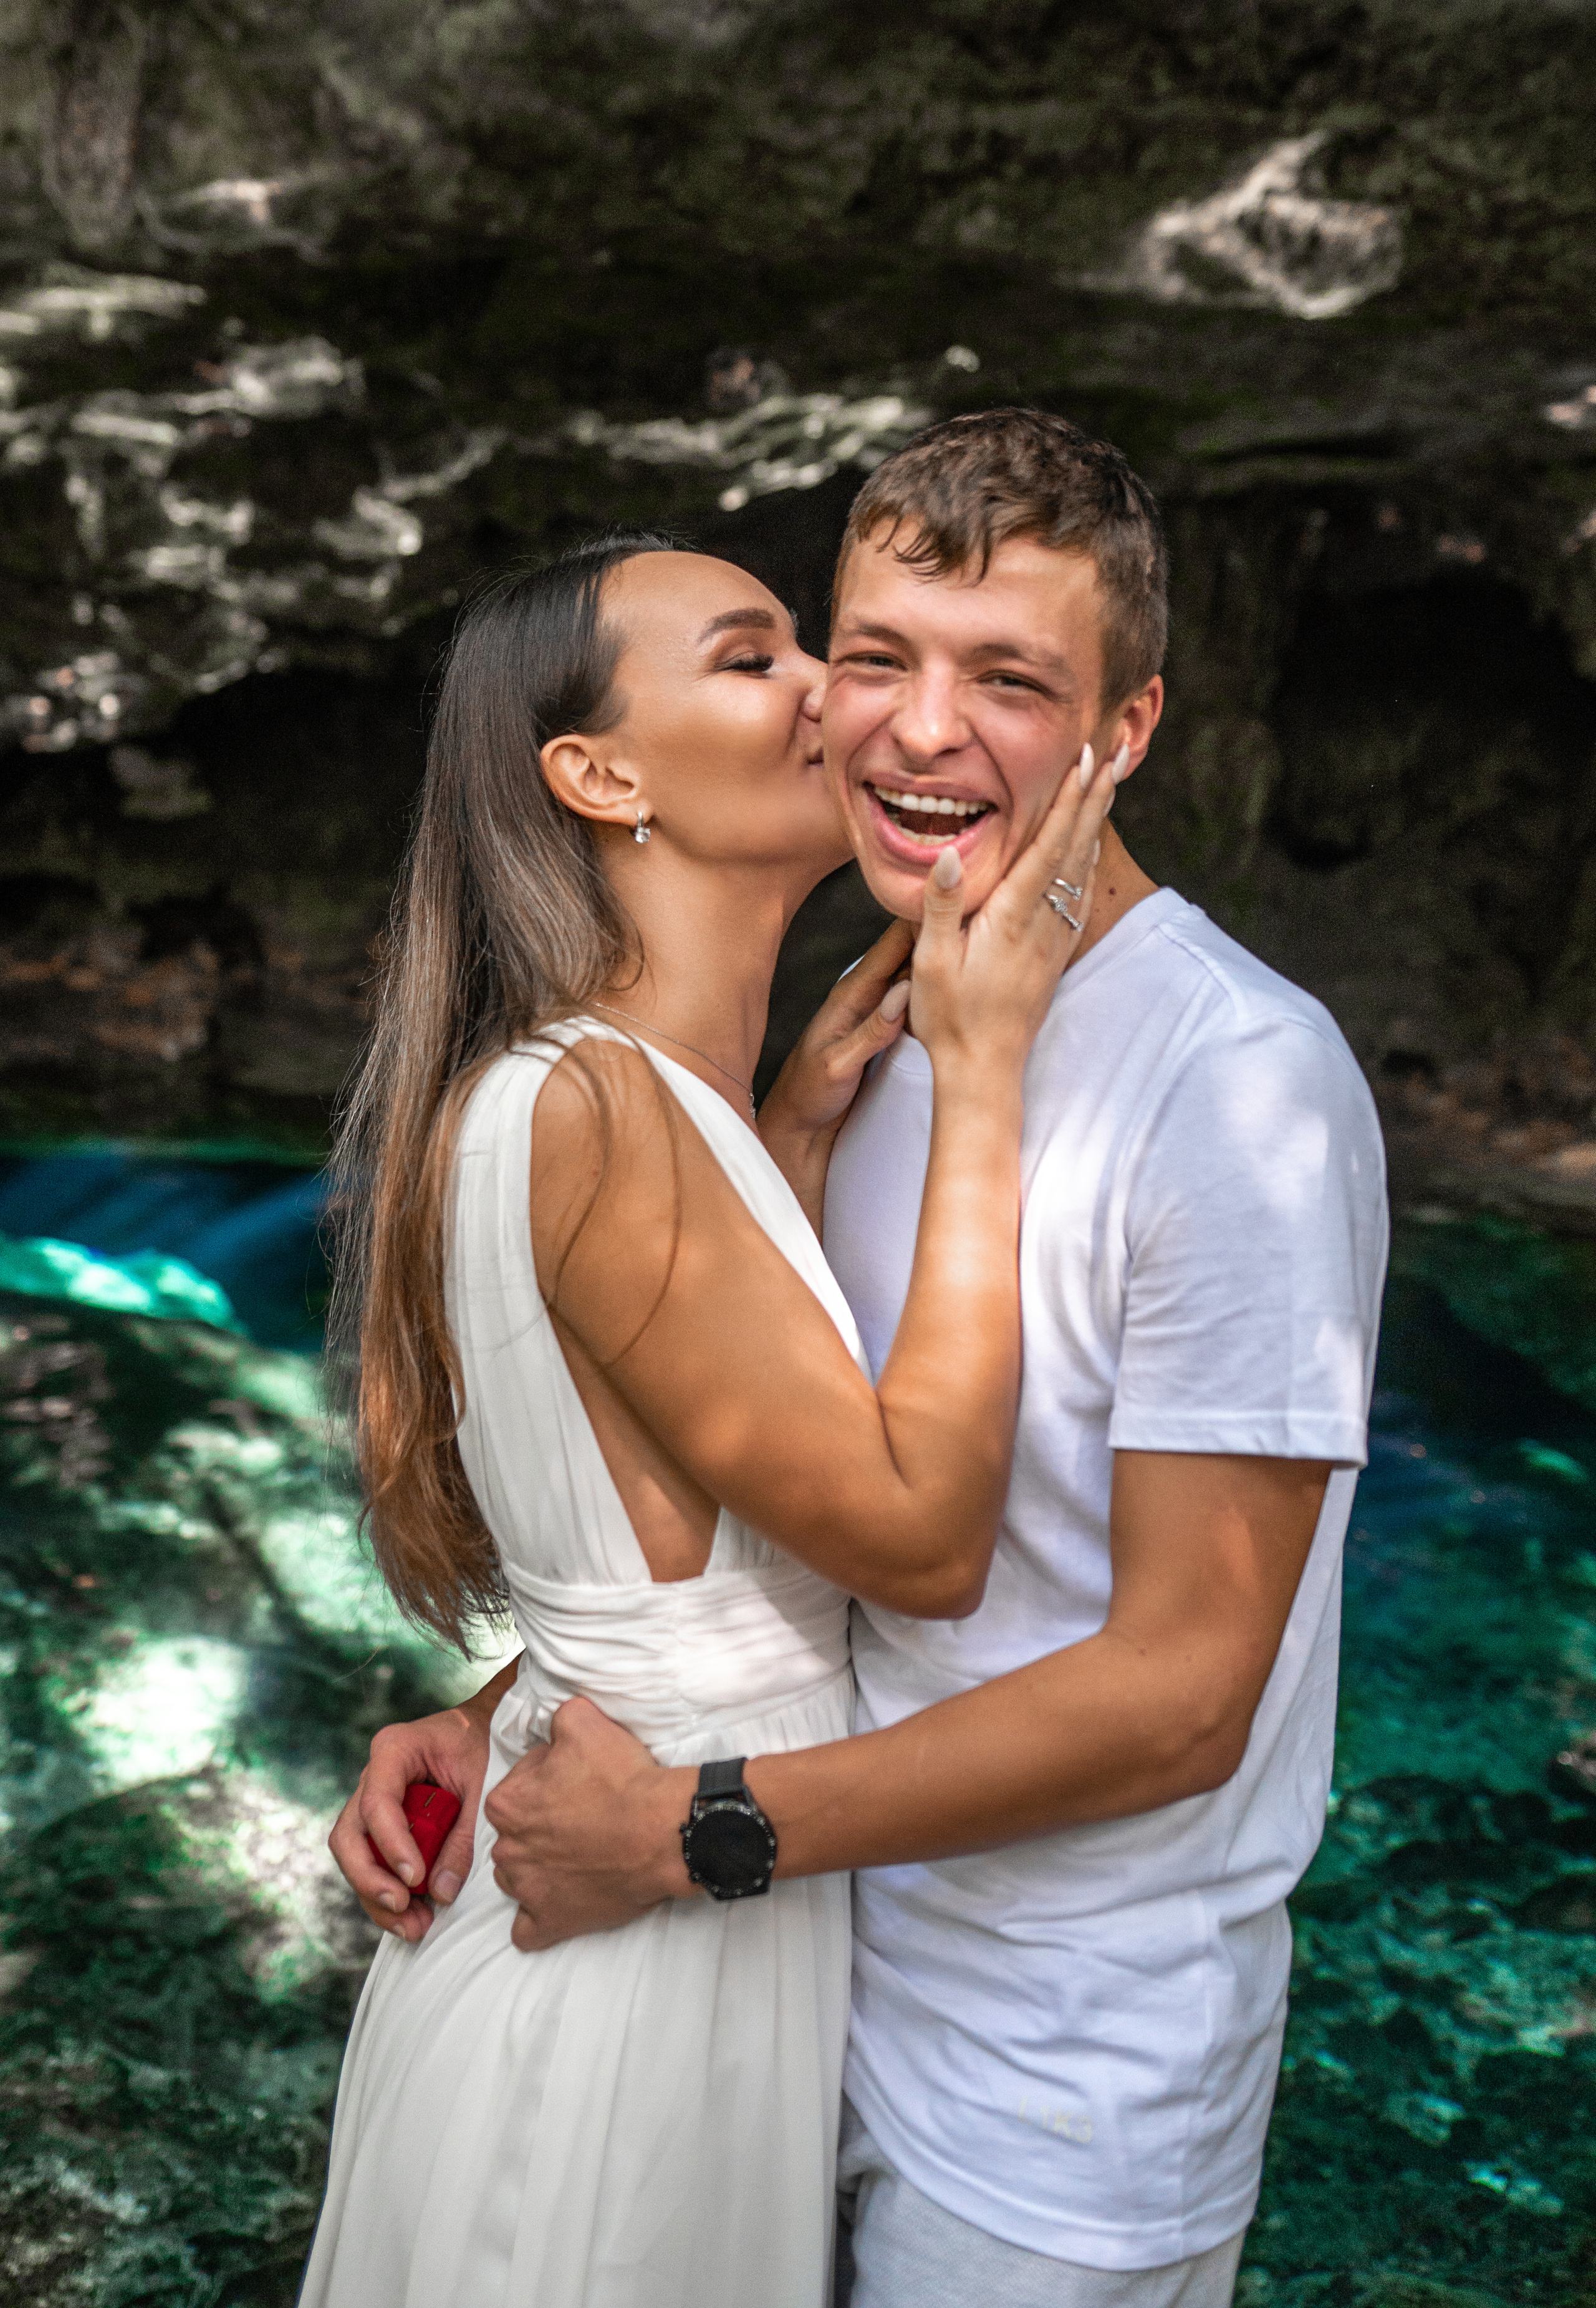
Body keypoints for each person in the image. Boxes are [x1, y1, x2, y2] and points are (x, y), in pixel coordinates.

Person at [333, 410, 1389, 2307]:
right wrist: (512, 1711)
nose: (906, 727)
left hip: (1046, 2099)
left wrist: (694, 1830)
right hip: (783, 1988)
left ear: (1125, 731)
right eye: (873, 654)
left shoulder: (1241, 1086)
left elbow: (1182, 1696)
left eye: (1009, 680)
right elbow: (757, 1510)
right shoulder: (862, 1041)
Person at [300, 524, 1116, 2308]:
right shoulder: (605, 1116)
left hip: (635, 1928)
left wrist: (795, 1159)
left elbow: (659, 1563)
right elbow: (920, 1541)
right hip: (615, 2008)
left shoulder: (637, 1104)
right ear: (597, 776)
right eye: (759, 660)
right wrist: (979, 1088)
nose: (843, 692)